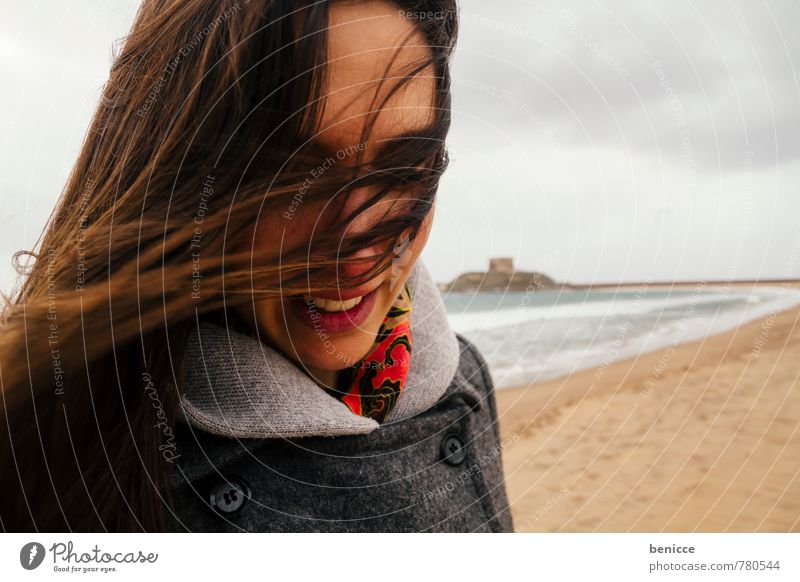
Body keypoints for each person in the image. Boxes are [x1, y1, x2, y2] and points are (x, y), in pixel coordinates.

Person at [0, 0, 513, 532]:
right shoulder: (59, 463)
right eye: (294, 176)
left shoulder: (461, 378)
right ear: (185, 184)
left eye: (402, 166)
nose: (360, 248)